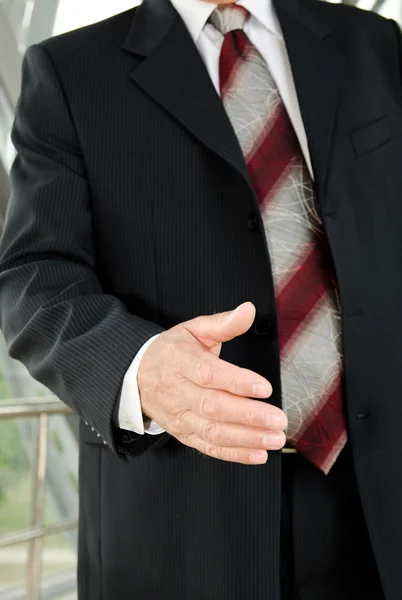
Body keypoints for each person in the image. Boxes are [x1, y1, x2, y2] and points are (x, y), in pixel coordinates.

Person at [0, 0, 401, 596]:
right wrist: (138, 370)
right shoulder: (71, 70)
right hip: (183, 516)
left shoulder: (377, 45)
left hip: (378, 501)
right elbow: (35, 277)